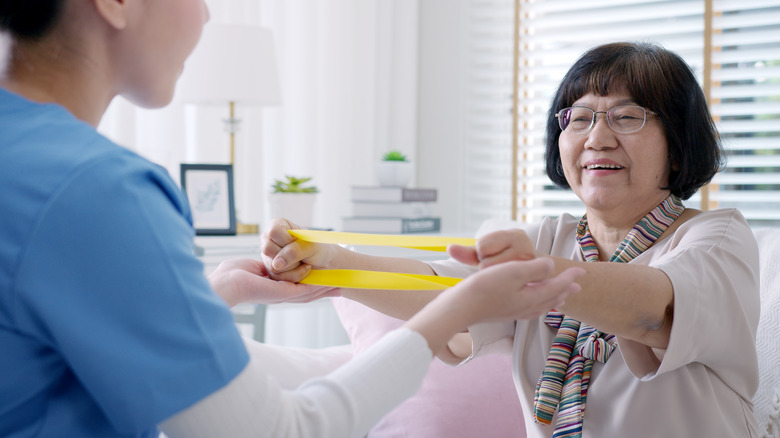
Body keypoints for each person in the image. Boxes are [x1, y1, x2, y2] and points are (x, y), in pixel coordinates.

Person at [0, 1, 587, 437]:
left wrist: (214, 293)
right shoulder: (100, 191)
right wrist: (461, 307)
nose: (204, 14)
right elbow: (281, 431)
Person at [262, 42, 761, 437]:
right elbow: (443, 294)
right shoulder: (547, 238)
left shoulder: (716, 237)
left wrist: (534, 273)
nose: (597, 137)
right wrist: (330, 263)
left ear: (678, 147)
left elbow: (652, 309)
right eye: (580, 117)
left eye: (627, 117)